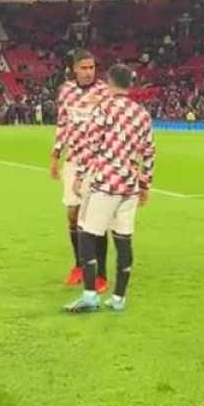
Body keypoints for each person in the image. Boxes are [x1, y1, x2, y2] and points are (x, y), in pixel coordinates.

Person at [64, 64, 155, 313]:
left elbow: (91, 145)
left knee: (86, 232)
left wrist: (80, 175)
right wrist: (145, 184)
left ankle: (90, 295)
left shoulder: (103, 109)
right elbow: (148, 153)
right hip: (129, 186)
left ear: (109, 82)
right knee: (124, 238)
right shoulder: (142, 114)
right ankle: (118, 299)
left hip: (105, 182)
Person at [51, 49, 109, 292]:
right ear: (74, 68)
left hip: (96, 163)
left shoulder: (104, 92)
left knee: (96, 219)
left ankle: (101, 274)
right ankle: (79, 265)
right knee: (73, 216)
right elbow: (63, 123)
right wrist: (55, 154)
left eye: (92, 67)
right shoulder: (66, 91)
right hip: (74, 162)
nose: (88, 72)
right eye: (84, 68)